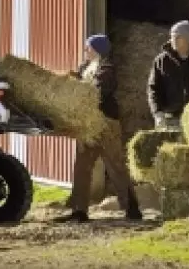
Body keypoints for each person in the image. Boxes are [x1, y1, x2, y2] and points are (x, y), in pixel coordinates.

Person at [53, 34, 143, 223]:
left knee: (115, 165)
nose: (85, 50)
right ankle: (79, 210)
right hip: (87, 124)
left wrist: (78, 87)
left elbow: (97, 91)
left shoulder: (107, 69)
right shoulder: (85, 68)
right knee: (82, 166)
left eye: (88, 48)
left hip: (106, 123)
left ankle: (132, 209)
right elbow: (78, 84)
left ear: (98, 50)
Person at [147, 20, 189, 129]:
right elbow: (153, 88)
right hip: (170, 118)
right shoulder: (161, 61)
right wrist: (157, 113)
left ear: (187, 39)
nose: (173, 40)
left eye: (177, 37)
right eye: (172, 37)